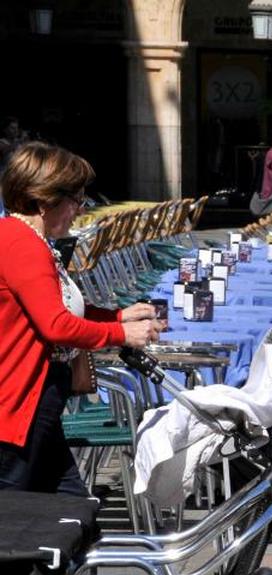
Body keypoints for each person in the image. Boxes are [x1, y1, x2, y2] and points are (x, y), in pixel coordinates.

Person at [0, 143, 162, 494]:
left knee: (70, 505)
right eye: (76, 199)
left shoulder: (31, 240)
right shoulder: (22, 245)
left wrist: (117, 314)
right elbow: (55, 324)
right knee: (23, 515)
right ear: (44, 200)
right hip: (18, 402)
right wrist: (120, 332)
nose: (80, 210)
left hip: (33, 402)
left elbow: (54, 305)